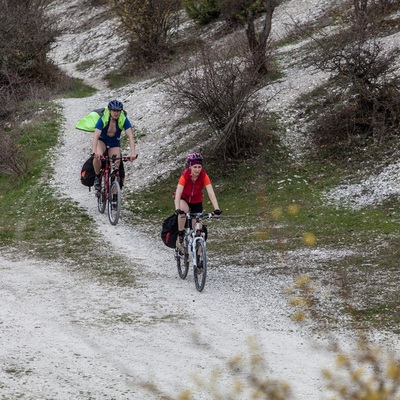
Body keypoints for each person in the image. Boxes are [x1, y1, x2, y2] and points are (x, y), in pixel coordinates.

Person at [174, 152, 222, 251]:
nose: (197, 170)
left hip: (197, 200)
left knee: (199, 229)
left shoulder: (204, 175)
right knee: (184, 209)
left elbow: (211, 192)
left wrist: (216, 208)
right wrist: (177, 208)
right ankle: (181, 234)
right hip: (184, 198)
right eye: (195, 167)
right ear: (190, 167)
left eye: (199, 167)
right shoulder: (185, 175)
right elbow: (178, 193)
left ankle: (199, 260)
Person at [92, 99, 136, 190]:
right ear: (109, 110)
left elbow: (130, 136)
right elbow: (96, 136)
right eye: (114, 110)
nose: (116, 113)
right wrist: (94, 152)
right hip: (102, 141)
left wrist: (133, 153)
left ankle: (115, 198)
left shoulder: (123, 119)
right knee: (97, 157)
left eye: (118, 111)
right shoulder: (103, 118)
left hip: (114, 143)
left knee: (116, 166)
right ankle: (97, 176)